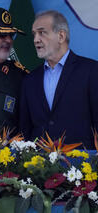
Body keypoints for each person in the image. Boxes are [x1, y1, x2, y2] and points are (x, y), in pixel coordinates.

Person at [19, 10, 98, 149]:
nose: (35, 39)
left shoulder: (91, 71)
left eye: (42, 32)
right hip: (38, 167)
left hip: (82, 165)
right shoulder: (29, 80)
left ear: (61, 36)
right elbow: (25, 129)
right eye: (34, 34)